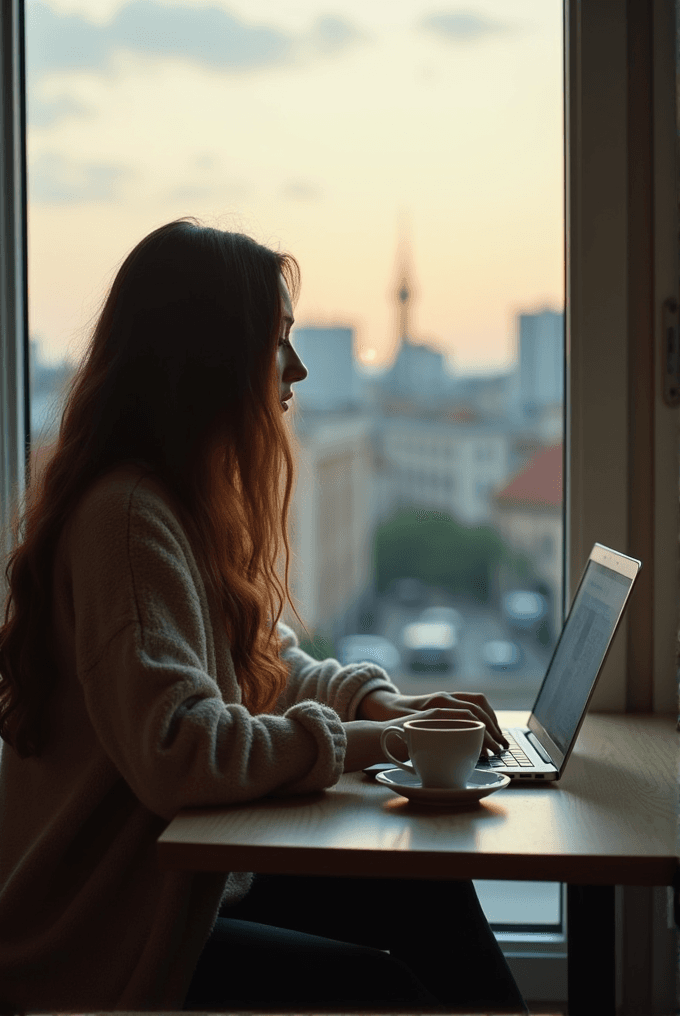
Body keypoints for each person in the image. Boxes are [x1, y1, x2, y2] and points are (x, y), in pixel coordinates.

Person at [0, 218, 526, 1014]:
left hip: (178, 889)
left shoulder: (170, 505)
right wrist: (376, 743)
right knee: (379, 991)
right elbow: (183, 750)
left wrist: (382, 705)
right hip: (103, 939)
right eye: (278, 341)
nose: (300, 369)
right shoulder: (128, 522)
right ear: (208, 362)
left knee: (427, 891)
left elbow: (262, 662)